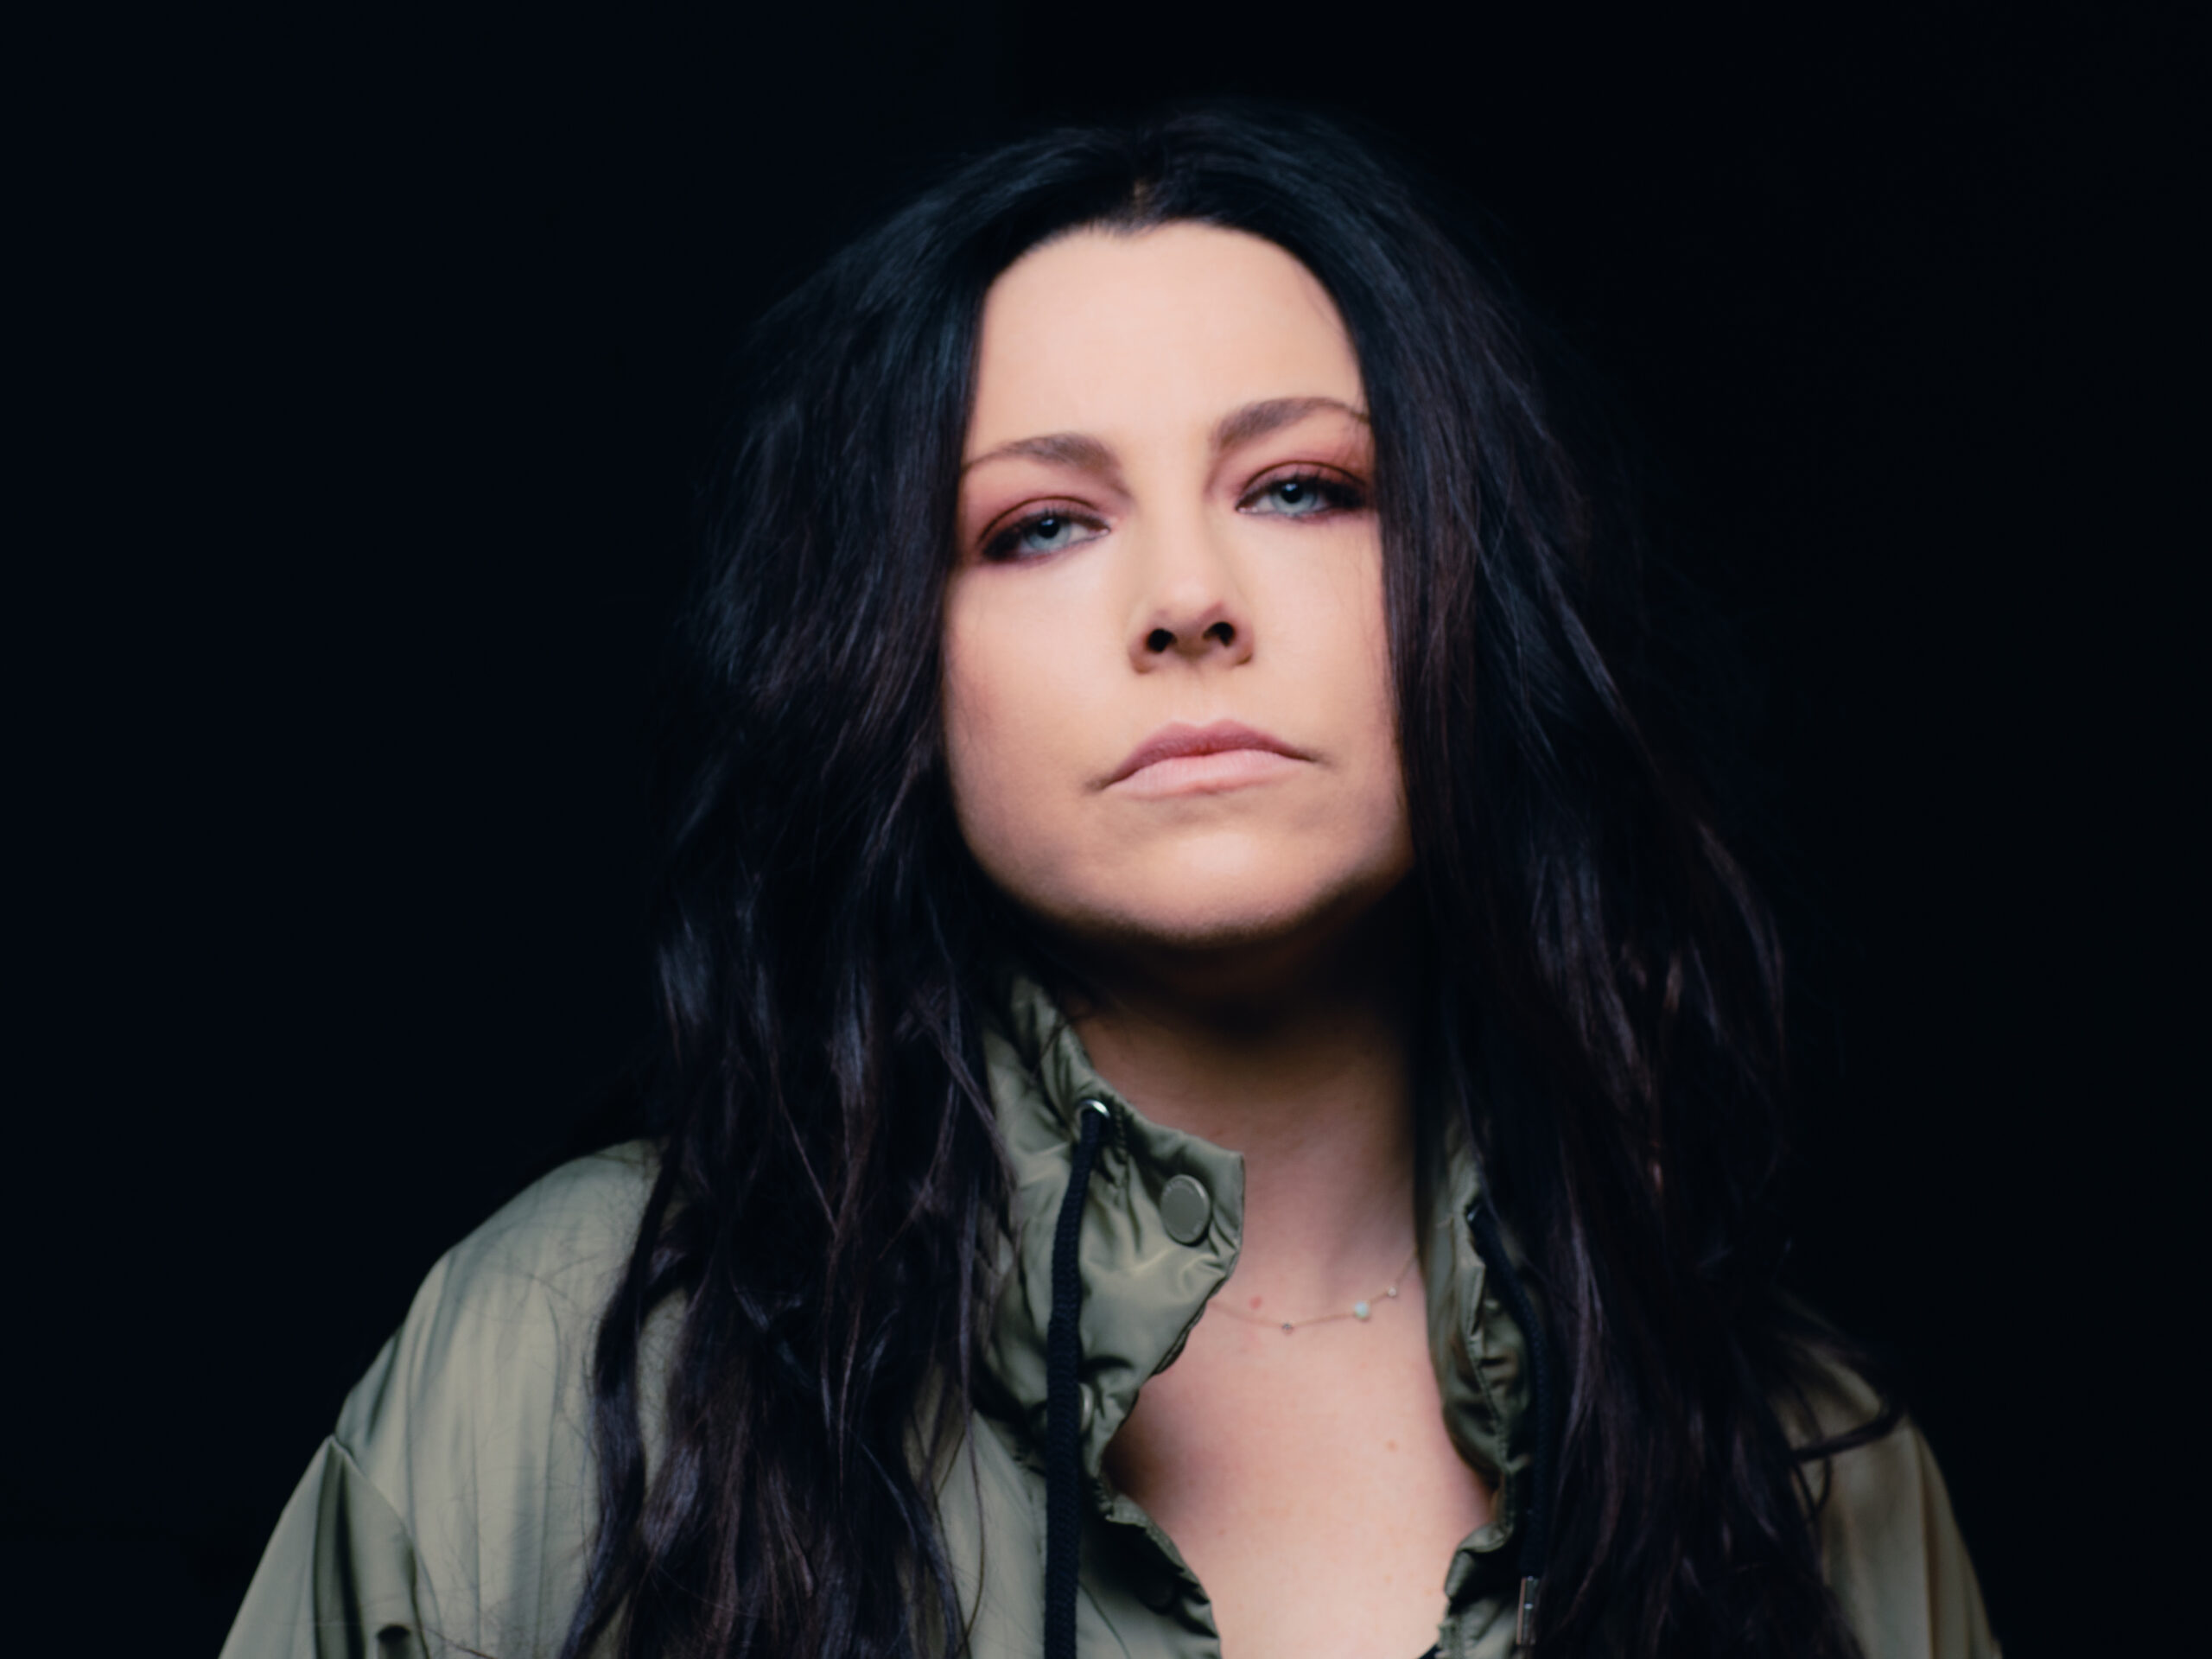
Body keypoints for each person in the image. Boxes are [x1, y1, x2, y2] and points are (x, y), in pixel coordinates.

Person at [223, 105, 1996, 1659]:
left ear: (1475, 591)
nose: (1187, 600)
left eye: (1298, 488)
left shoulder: (1797, 1461)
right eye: (1041, 525)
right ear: (891, 665)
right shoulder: (573, 1359)